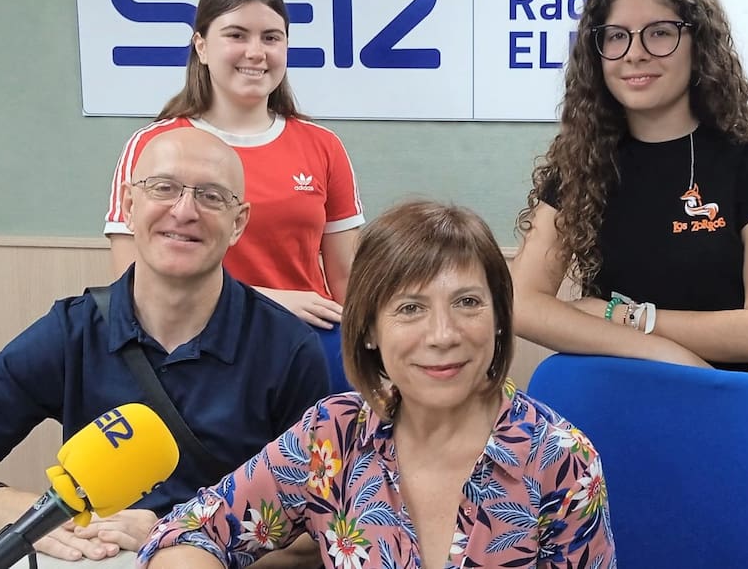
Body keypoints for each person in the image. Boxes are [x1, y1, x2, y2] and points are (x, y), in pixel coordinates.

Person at [0, 128, 330, 564]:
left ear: (238, 222)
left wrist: (185, 533)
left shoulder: (286, 347)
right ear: (129, 204)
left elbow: (322, 533)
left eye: (211, 196)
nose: (184, 211)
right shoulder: (73, 331)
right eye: (163, 187)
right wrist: (15, 509)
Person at [136, 201, 617, 568]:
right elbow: (190, 531)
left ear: (497, 318)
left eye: (468, 303)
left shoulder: (561, 458)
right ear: (369, 329)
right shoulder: (333, 434)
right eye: (410, 309)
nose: (443, 335)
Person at [512, 0, 748, 375]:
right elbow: (522, 302)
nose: (634, 53)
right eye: (615, 35)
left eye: (660, 33)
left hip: (724, 401)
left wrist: (630, 318)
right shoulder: (582, 159)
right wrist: (661, 351)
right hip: (618, 392)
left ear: (698, 44)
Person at [104, 0, 364, 393]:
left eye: (271, 37)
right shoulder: (154, 146)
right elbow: (132, 280)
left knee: (318, 462)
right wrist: (268, 301)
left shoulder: (323, 145)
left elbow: (347, 279)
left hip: (308, 350)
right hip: (195, 355)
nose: (255, 52)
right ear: (202, 46)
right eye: (237, 35)